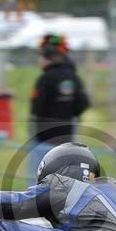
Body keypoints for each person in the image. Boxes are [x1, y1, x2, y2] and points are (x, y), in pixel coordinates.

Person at [28, 34, 91, 184]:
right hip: (66, 140)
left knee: (37, 182)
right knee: (63, 183)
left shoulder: (45, 79)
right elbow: (83, 102)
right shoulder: (74, 78)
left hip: (43, 140)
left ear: (47, 58)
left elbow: (36, 108)